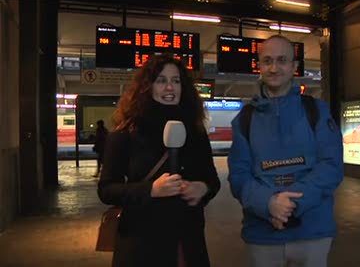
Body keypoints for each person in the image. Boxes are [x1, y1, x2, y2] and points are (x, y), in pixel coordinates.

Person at [227, 35, 344, 267]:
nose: (274, 67)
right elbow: (239, 176)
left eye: (282, 60)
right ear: (259, 65)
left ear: (294, 66)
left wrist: (290, 204)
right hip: (262, 235)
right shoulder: (244, 120)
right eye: (267, 60)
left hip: (312, 232)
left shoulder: (317, 112)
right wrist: (268, 203)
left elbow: (331, 166)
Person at [98, 54, 221, 267]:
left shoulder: (196, 132)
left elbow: (212, 179)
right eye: (161, 81)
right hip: (141, 244)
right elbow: (107, 189)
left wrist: (202, 188)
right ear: (147, 87)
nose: (170, 88)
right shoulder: (126, 132)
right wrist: (151, 190)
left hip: (187, 242)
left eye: (176, 81)